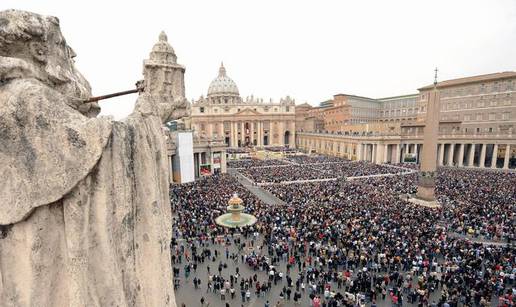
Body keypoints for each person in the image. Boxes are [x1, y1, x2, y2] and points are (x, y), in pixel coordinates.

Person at [0, 10, 188, 307]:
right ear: (38, 51)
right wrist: (151, 112)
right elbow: (98, 155)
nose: (71, 54)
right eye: (62, 47)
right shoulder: (27, 98)